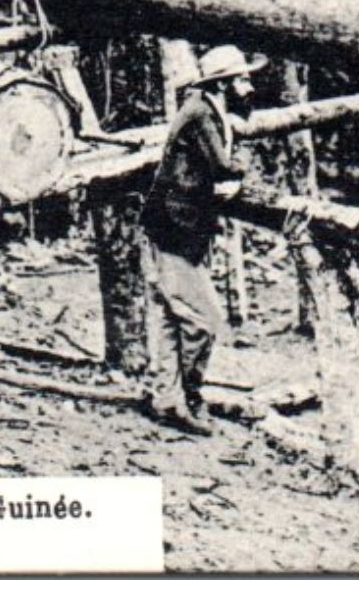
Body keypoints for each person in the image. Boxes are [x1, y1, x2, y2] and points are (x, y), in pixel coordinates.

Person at [139, 45, 263, 436]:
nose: (248, 85)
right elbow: (224, 165)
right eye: (242, 79)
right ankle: (190, 397)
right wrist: (242, 168)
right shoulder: (201, 113)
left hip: (173, 223)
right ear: (224, 83)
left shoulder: (205, 107)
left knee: (171, 314)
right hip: (177, 226)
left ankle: (167, 399)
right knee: (203, 319)